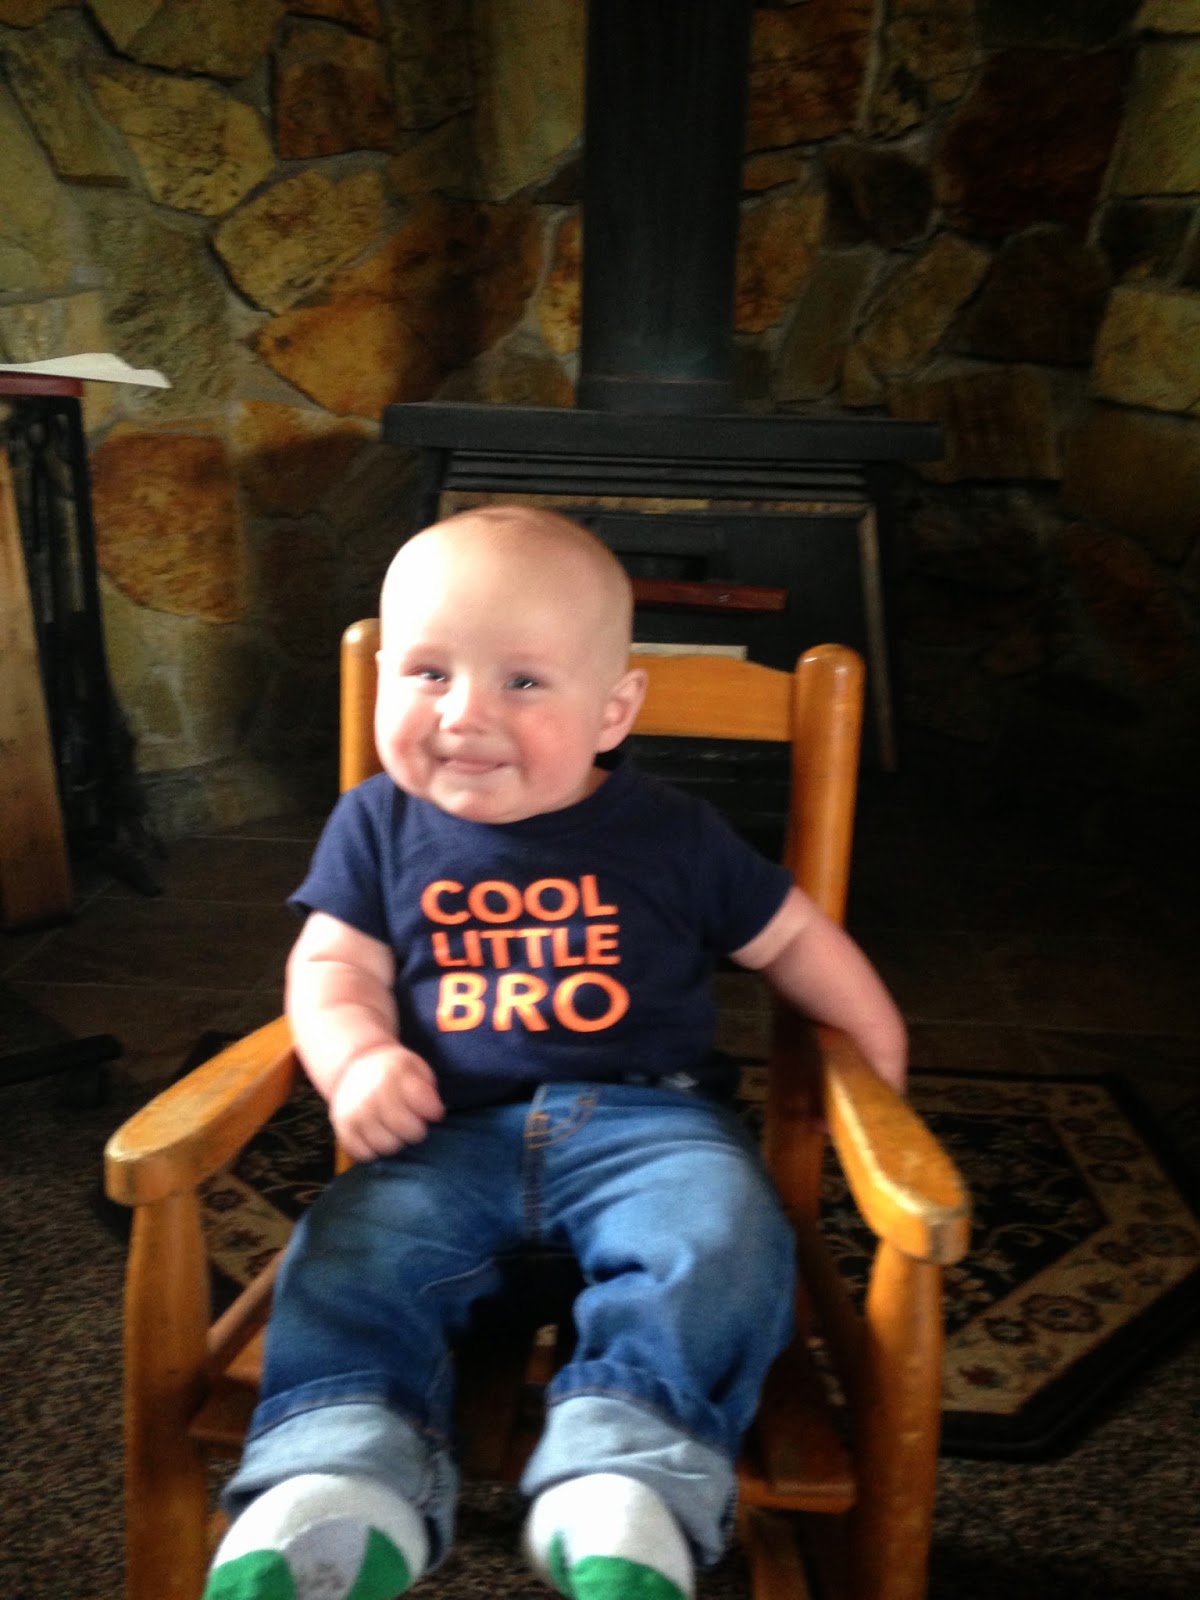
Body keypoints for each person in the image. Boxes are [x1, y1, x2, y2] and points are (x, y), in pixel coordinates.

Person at [204, 506, 907, 1600]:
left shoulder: (673, 833)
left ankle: (625, 1476)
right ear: (383, 678)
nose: (463, 714)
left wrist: (874, 1061)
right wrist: (357, 1059)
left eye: (523, 682)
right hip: (444, 1136)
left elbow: (795, 940)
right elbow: (332, 968)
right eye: (427, 673)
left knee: (719, 1237)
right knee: (348, 1252)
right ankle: (340, 1478)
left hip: (651, 1130)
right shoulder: (376, 824)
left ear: (613, 710)